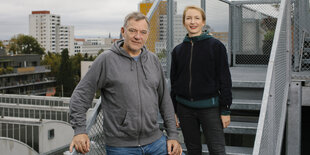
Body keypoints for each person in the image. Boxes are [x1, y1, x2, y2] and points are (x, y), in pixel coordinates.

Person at [69, 12, 182, 155]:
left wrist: (172, 135)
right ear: (123, 31)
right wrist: (79, 130)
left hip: (155, 141)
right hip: (121, 147)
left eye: (143, 32)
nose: (137, 36)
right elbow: (81, 95)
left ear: (147, 35)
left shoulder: (153, 60)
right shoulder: (106, 60)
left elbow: (165, 100)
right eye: (132, 30)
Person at [170, 6, 232, 155]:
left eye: (197, 18)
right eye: (189, 18)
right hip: (184, 108)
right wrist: (174, 110)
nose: (193, 22)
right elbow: (174, 82)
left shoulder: (216, 46)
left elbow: (225, 79)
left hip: (210, 108)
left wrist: (225, 109)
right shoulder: (177, 50)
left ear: (203, 22)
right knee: (193, 150)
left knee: (217, 150)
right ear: (184, 22)